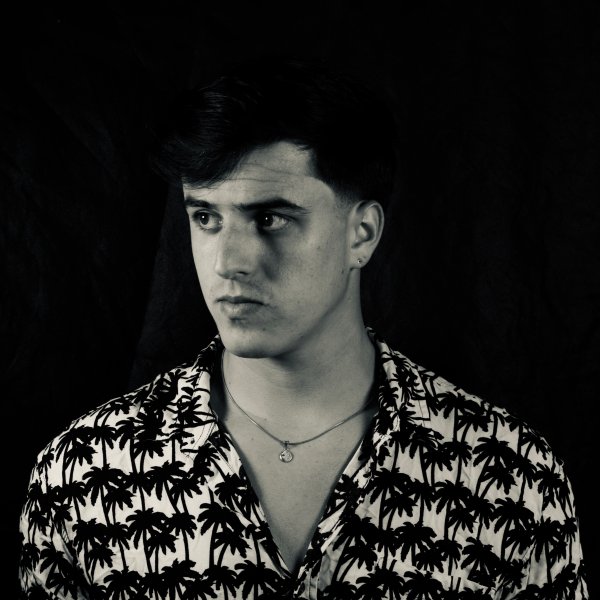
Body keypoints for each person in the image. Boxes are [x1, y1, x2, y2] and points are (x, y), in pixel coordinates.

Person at [19, 57, 587, 599]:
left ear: (362, 233)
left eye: (270, 218)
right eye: (206, 217)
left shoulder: (511, 477)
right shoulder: (86, 472)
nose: (228, 262)